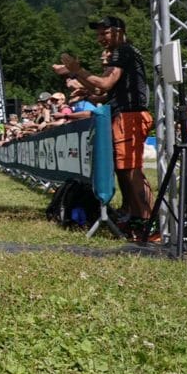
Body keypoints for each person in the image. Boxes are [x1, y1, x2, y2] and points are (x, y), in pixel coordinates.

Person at [55, 15, 155, 241]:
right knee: (124, 170)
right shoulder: (124, 52)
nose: (100, 38)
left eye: (104, 33)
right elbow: (107, 91)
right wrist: (88, 91)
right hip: (125, 115)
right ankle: (135, 217)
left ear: (119, 31)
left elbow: (106, 83)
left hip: (130, 117)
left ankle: (149, 223)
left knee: (132, 171)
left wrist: (78, 70)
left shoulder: (122, 51)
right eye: (98, 34)